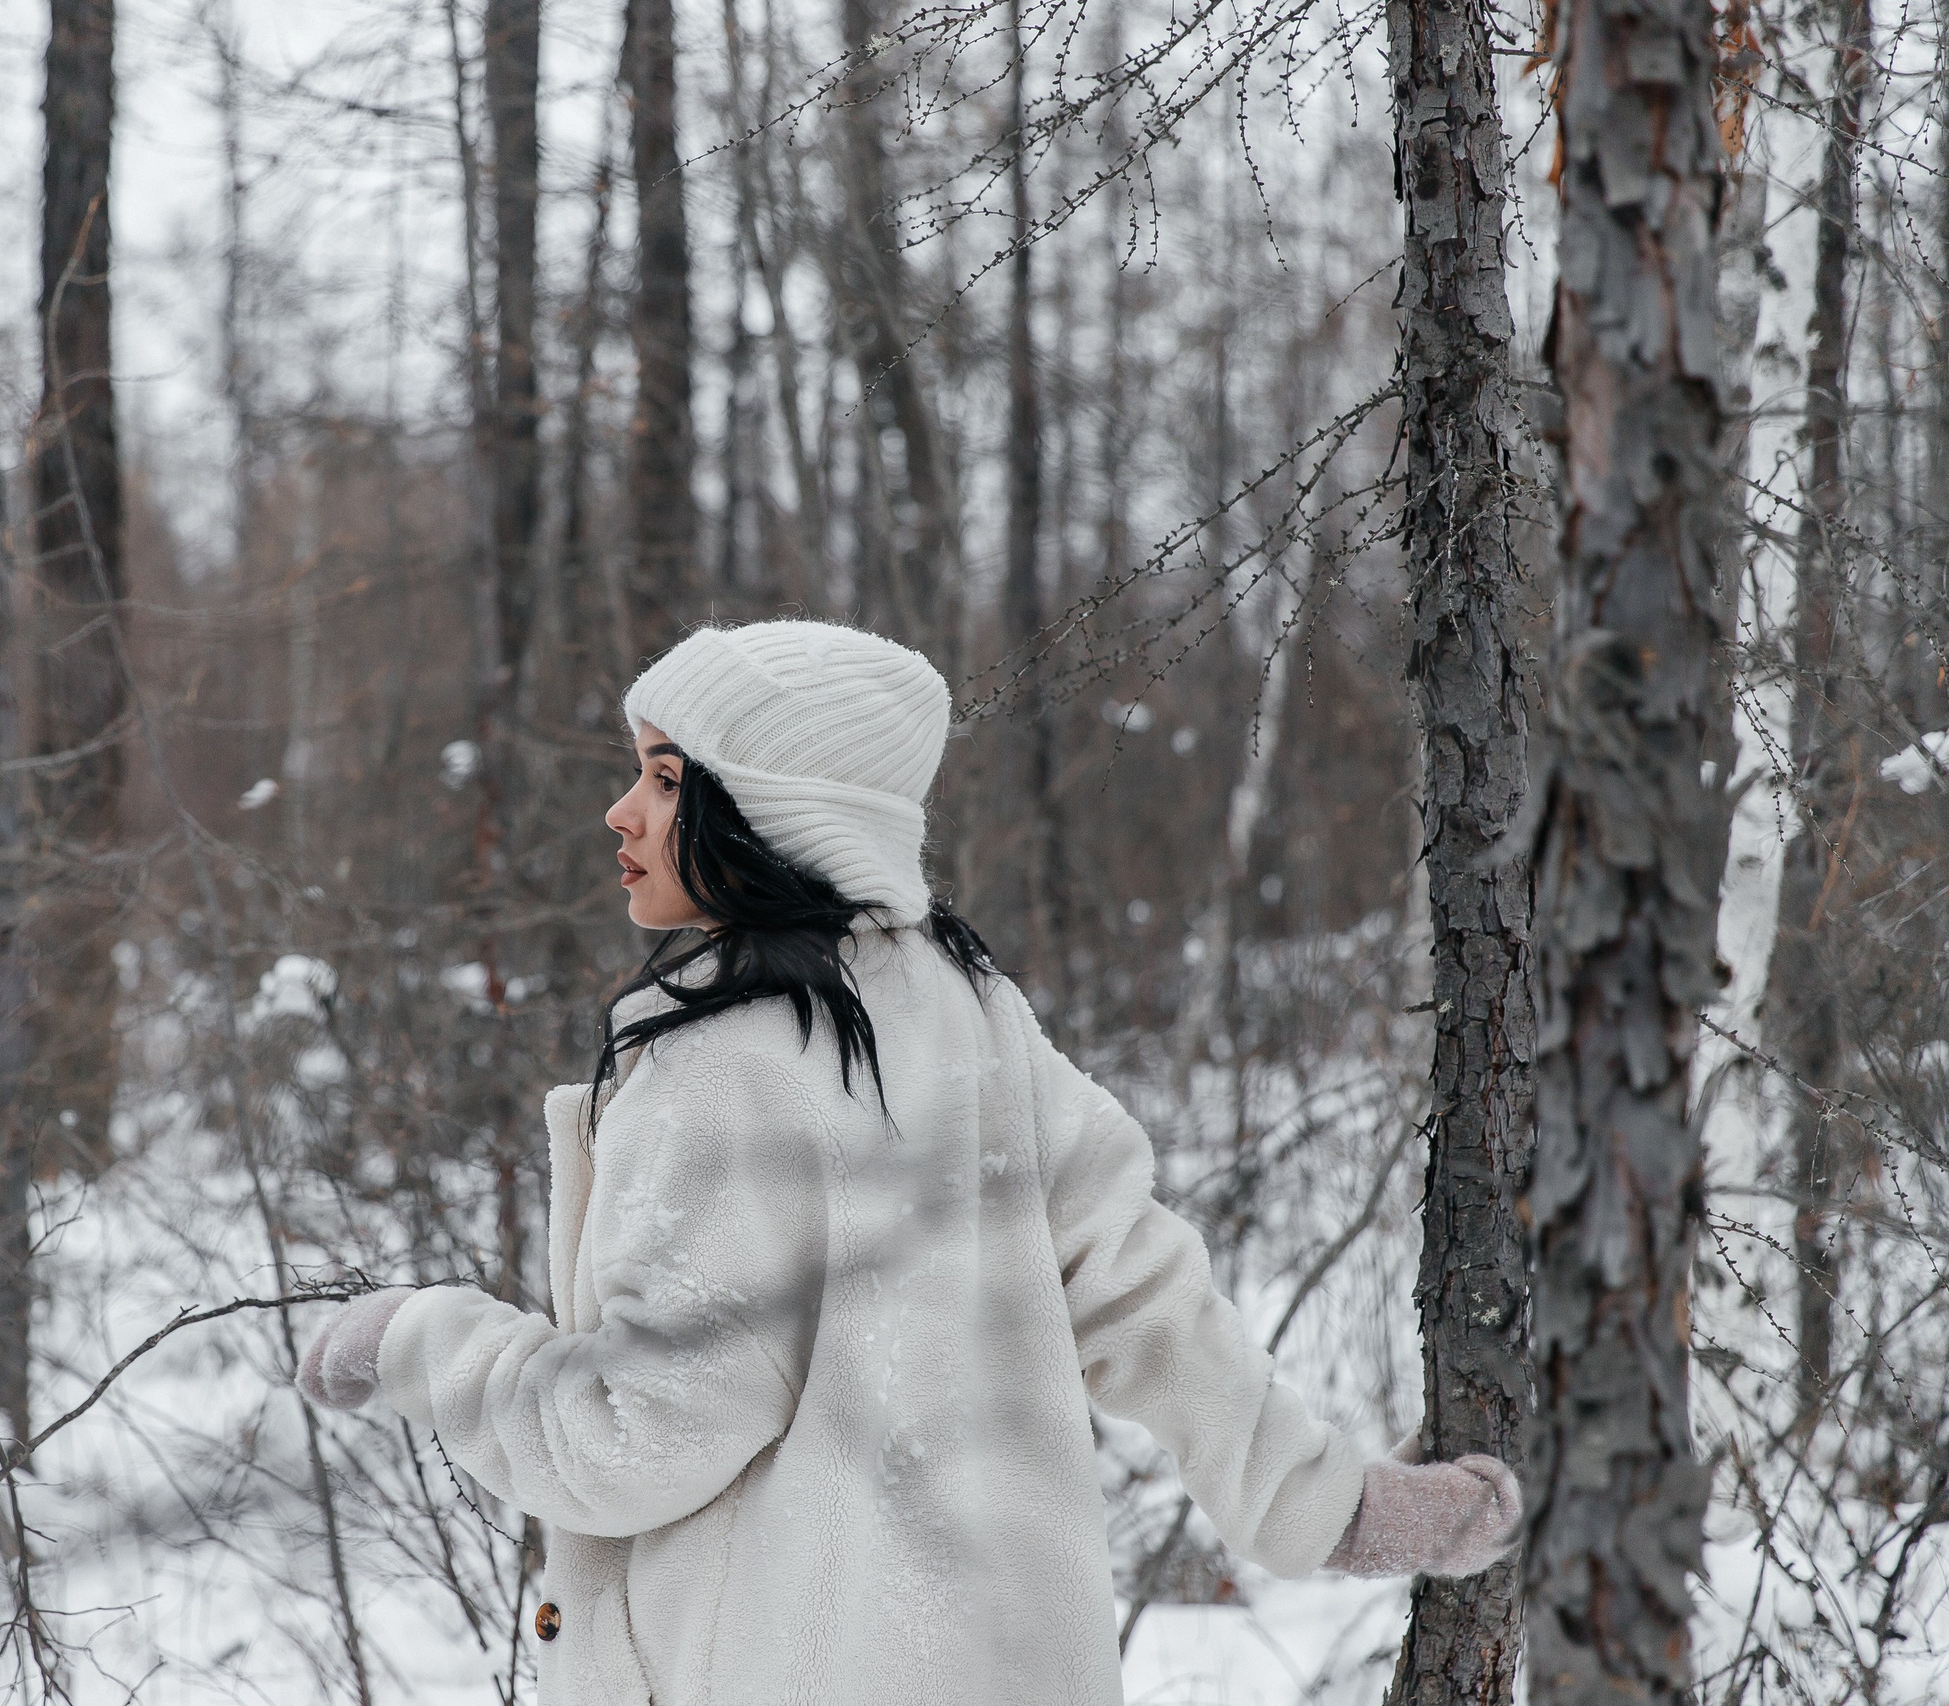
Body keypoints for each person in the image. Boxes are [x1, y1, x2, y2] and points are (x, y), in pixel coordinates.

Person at [297, 620, 1520, 1705]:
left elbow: (632, 1438)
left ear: (775, 812)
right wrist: (1328, 1505)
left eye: (667, 778)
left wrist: (418, 1339)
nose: (622, 811)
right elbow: (1143, 1290)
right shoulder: (970, 1011)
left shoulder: (722, 1060)